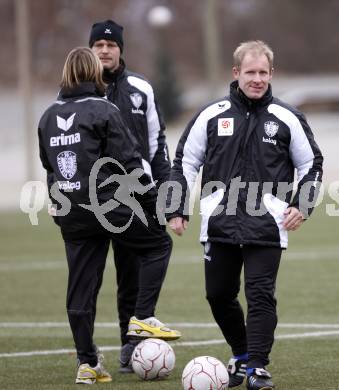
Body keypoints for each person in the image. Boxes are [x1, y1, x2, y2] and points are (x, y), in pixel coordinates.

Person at [167, 40, 323, 389]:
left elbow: (312, 164)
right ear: (236, 73)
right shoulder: (211, 115)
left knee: (260, 293)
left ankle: (257, 368)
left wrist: (302, 204)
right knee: (218, 295)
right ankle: (240, 354)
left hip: (268, 223)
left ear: (272, 74)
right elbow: (185, 162)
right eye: (250, 72)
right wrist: (176, 208)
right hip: (218, 222)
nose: (257, 79)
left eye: (263, 72)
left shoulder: (287, 117)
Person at [38, 47, 179, 385]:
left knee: (81, 288)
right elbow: (129, 160)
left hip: (72, 211)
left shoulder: (46, 116)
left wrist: (60, 210)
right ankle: (143, 316)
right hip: (108, 206)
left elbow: (50, 168)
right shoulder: (104, 108)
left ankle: (87, 363)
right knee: (158, 244)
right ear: (95, 74)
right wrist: (151, 201)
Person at [88, 19, 174, 372]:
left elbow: (157, 143)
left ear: (120, 49)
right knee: (88, 277)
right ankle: (86, 354)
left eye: (111, 45)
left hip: (136, 195)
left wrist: (165, 187)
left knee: (132, 273)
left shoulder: (141, 88)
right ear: (91, 50)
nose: (105, 50)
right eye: (99, 45)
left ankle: (131, 342)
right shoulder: (77, 89)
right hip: (90, 199)